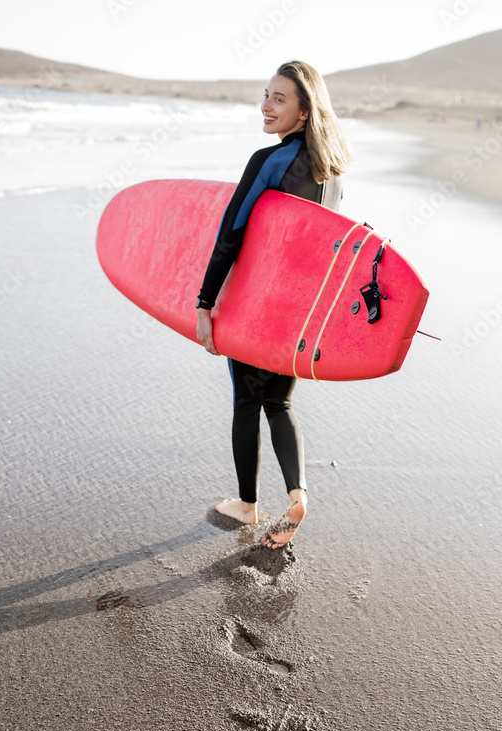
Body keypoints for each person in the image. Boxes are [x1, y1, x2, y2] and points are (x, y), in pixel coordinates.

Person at [195, 60, 352, 549]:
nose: (266, 105)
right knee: (279, 402)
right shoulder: (333, 171)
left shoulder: (269, 159)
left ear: (304, 113)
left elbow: (232, 231)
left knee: (246, 402)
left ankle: (246, 505)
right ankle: (297, 494)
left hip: (258, 305)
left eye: (279, 99)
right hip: (301, 311)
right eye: (266, 94)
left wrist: (205, 301)